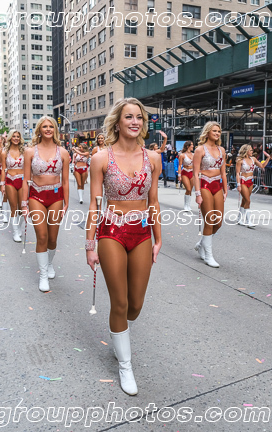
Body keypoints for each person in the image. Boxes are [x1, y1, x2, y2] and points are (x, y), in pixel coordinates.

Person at [85, 98, 162, 396]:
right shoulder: (101, 158)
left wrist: (158, 238)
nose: (135, 122)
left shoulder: (152, 158)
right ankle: (125, 365)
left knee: (135, 306)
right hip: (111, 232)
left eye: (139, 117)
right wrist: (89, 245)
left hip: (141, 231)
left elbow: (153, 201)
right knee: (119, 303)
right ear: (117, 122)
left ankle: (119, 332)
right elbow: (94, 204)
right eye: (129, 117)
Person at [22, 116, 70, 292]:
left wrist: (66, 203)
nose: (48, 129)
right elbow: (26, 179)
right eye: (44, 127)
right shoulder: (30, 152)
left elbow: (65, 181)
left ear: (55, 130)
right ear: (39, 130)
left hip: (56, 197)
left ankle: (49, 263)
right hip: (36, 196)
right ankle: (43, 275)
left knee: (52, 238)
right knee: (41, 236)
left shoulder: (63, 152)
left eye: (51, 126)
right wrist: (24, 204)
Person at [192, 122, 227, 267]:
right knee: (209, 220)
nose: (217, 133)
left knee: (218, 222)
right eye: (214, 131)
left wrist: (225, 190)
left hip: (217, 185)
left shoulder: (222, 150)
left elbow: (223, 172)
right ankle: (208, 256)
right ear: (207, 132)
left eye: (219, 131)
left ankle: (201, 243)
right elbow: (195, 173)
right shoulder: (200, 150)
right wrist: (197, 194)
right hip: (204, 183)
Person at [0, 130, 26, 243]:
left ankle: (18, 227)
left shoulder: (24, 151)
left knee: (22, 208)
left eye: (18, 136)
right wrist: (2, 184)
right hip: (10, 180)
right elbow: (3, 169)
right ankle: (15, 232)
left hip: (22, 180)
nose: (16, 138)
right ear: (10, 138)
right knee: (13, 207)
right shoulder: (4, 152)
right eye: (14, 136)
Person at [236, 144, 270, 226]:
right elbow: (237, 173)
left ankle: (239, 218)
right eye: (250, 150)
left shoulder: (253, 159)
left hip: (250, 180)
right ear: (246, 151)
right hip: (243, 180)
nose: (252, 151)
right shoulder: (240, 160)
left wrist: (268, 158)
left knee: (244, 200)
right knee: (248, 200)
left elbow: (262, 166)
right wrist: (238, 185)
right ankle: (249, 221)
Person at [177, 141, 195, 212]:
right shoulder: (182, 155)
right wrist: (179, 175)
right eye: (192, 145)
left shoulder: (194, 155)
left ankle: (188, 205)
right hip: (185, 172)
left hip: (192, 172)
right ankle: (185, 205)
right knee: (188, 189)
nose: (193, 146)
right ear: (188, 146)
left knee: (190, 189)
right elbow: (179, 165)